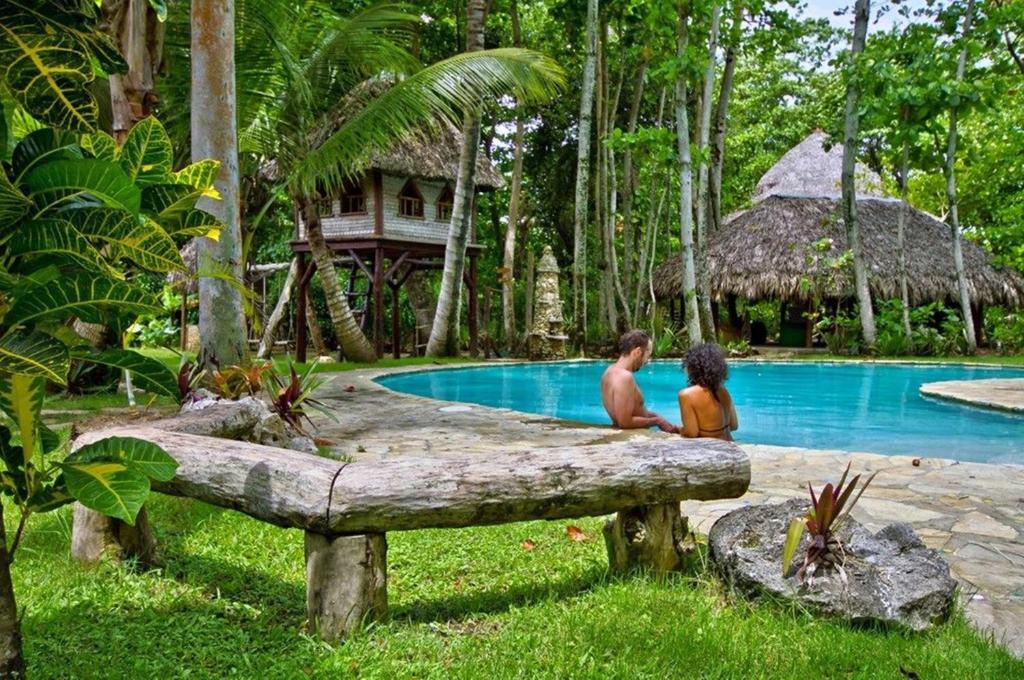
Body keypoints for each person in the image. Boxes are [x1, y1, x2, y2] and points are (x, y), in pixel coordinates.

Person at [601, 330, 679, 433]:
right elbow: (624, 422)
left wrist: (655, 416)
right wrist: (656, 421)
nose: (647, 361)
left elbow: (632, 409)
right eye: (648, 355)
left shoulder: (609, 372)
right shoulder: (625, 377)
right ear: (637, 352)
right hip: (629, 439)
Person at [678, 343, 738, 441]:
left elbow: (692, 433)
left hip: (712, 450)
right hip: (731, 445)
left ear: (693, 367)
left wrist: (678, 429)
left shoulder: (686, 395)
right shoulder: (723, 391)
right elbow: (734, 425)